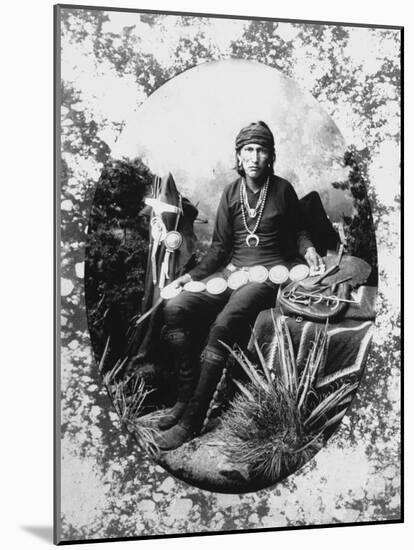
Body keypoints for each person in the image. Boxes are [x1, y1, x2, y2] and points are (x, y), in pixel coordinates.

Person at [156, 121, 323, 450]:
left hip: (267, 275)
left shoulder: (283, 190)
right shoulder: (231, 192)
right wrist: (190, 277)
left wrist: (309, 248)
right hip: (232, 272)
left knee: (224, 323)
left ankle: (192, 420)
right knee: (175, 306)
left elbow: (300, 231)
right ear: (239, 155)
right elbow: (219, 248)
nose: (255, 157)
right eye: (248, 150)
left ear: (270, 156)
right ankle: (185, 398)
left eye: (261, 150)